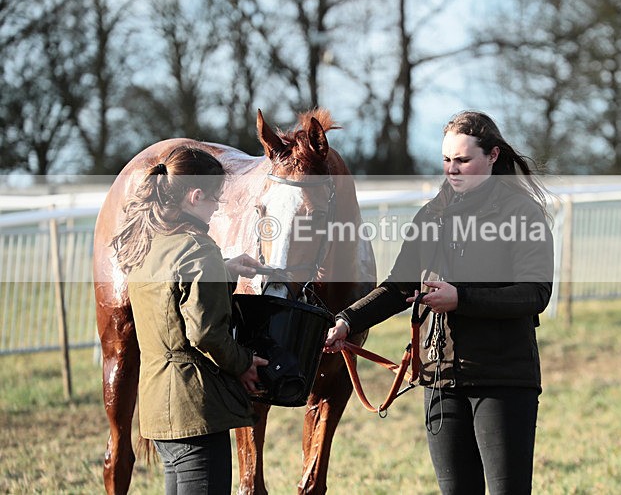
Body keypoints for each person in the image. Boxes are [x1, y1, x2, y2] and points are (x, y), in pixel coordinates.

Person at [325, 111, 554, 494]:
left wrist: (460, 298)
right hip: (439, 379)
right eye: (447, 160)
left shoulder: (523, 214)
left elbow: (534, 295)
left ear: (493, 156)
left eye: (463, 160)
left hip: (503, 379)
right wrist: (347, 320)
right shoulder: (430, 215)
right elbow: (398, 287)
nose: (452, 169)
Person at [110, 146, 268, 495]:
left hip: (159, 412)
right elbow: (207, 333)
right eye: (215, 199)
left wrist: (224, 270)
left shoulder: (147, 243)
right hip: (196, 412)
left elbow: (171, 295)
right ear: (195, 196)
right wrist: (243, 363)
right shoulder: (198, 249)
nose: (217, 208)